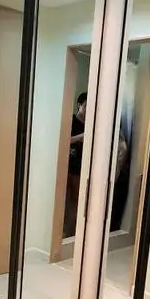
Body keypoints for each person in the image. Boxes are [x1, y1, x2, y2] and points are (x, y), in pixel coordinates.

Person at [64, 93, 87, 237]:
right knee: (63, 202)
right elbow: (65, 140)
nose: (88, 109)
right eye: (86, 106)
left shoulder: (91, 123)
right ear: (79, 105)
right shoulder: (71, 120)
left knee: (76, 203)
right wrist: (83, 136)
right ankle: (63, 233)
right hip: (67, 167)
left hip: (80, 168)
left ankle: (72, 234)